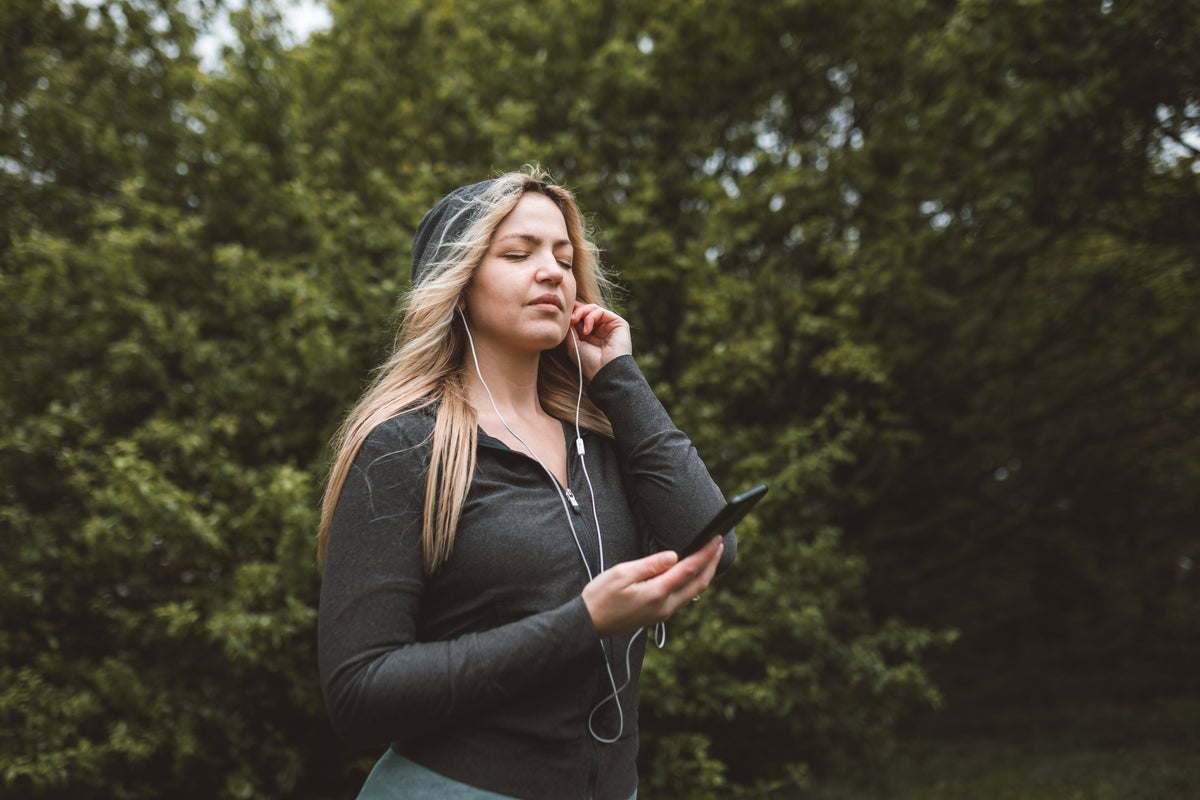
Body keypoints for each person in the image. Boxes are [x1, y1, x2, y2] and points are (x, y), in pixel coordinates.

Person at [317, 168, 737, 800]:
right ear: (457, 283)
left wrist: (619, 378)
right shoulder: (405, 446)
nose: (552, 272)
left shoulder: (600, 435)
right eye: (518, 253)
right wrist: (584, 623)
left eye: (564, 258)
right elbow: (359, 693)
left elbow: (713, 544)